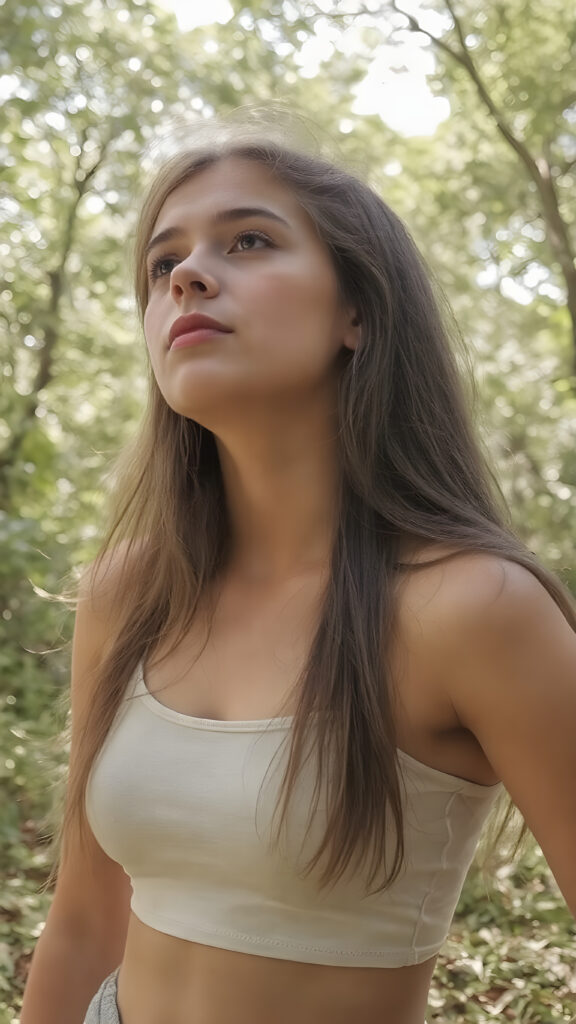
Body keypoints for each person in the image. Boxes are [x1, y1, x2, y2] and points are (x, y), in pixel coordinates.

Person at [20, 119, 576, 1024]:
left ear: (357, 311)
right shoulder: (131, 594)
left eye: (248, 240)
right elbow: (84, 919)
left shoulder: (472, 609)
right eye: (164, 265)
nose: (188, 276)